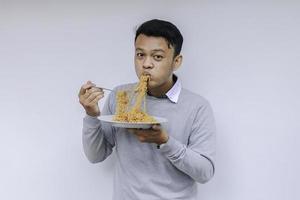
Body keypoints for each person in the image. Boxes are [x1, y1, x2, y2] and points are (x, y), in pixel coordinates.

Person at [78, 19, 216, 200]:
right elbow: (96, 155)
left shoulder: (197, 107)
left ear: (176, 61)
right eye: (140, 55)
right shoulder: (121, 95)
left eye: (157, 57)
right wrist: (91, 115)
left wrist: (165, 142)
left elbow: (205, 173)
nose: (146, 64)